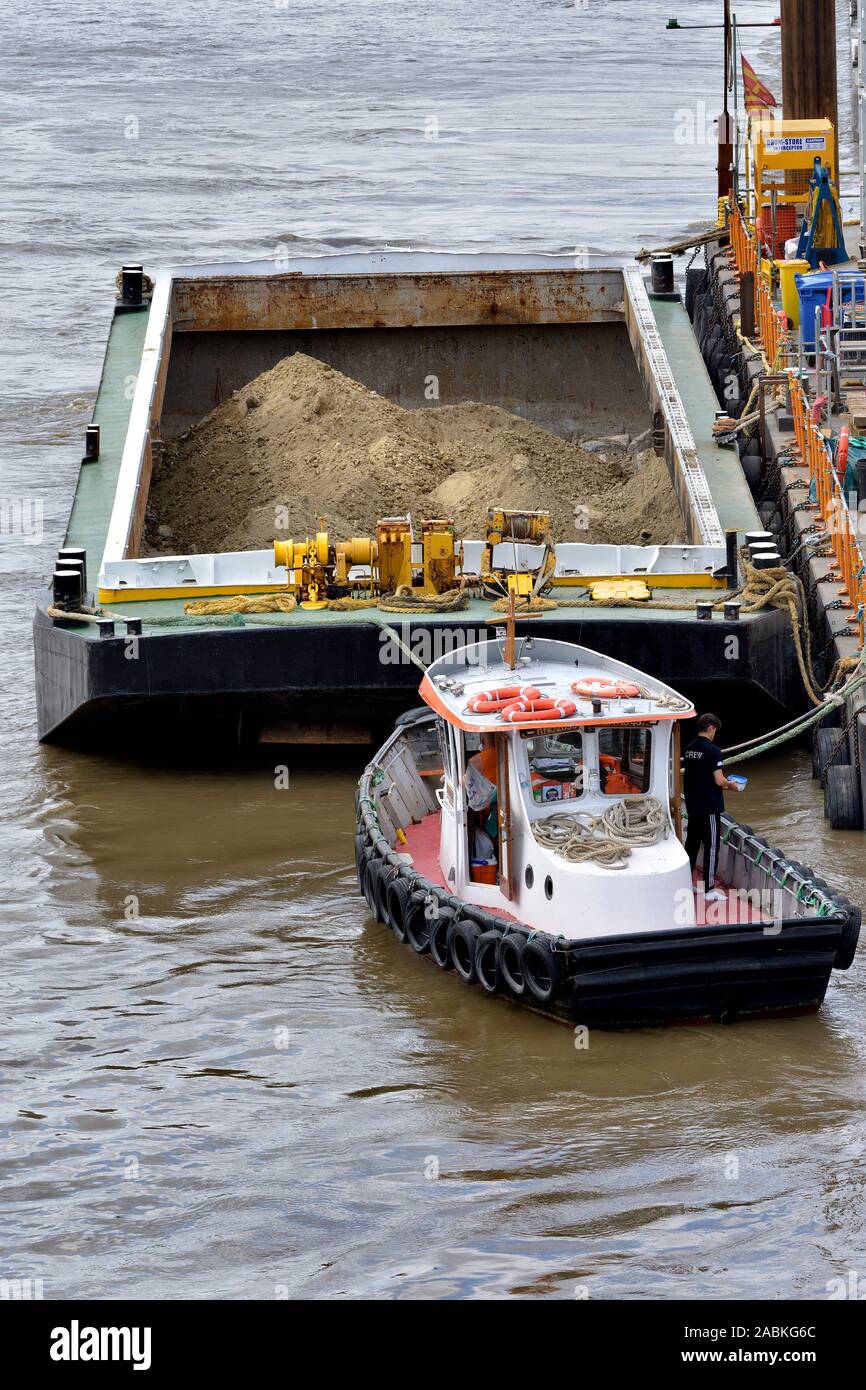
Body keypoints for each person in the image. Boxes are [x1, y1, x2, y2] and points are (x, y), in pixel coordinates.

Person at [683, 713, 743, 902]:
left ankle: (685, 882)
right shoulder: (713, 751)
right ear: (711, 729)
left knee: (691, 845)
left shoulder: (689, 749)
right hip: (709, 807)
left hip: (693, 806)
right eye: (715, 731)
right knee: (711, 846)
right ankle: (709, 889)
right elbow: (719, 780)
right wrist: (732, 785)